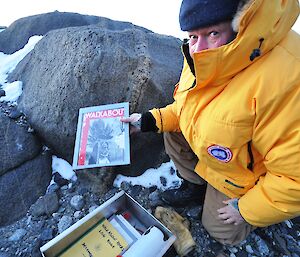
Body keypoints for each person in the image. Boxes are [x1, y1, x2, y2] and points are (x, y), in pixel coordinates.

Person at [122, 0, 300, 246]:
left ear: (242, 26)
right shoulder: (206, 54)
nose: (198, 49)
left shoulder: (287, 78)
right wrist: (150, 121)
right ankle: (196, 186)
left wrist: (246, 208)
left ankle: (249, 207)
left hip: (246, 175)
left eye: (213, 33)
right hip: (224, 150)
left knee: (221, 233)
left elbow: (295, 180)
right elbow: (189, 108)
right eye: (193, 36)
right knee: (172, 131)